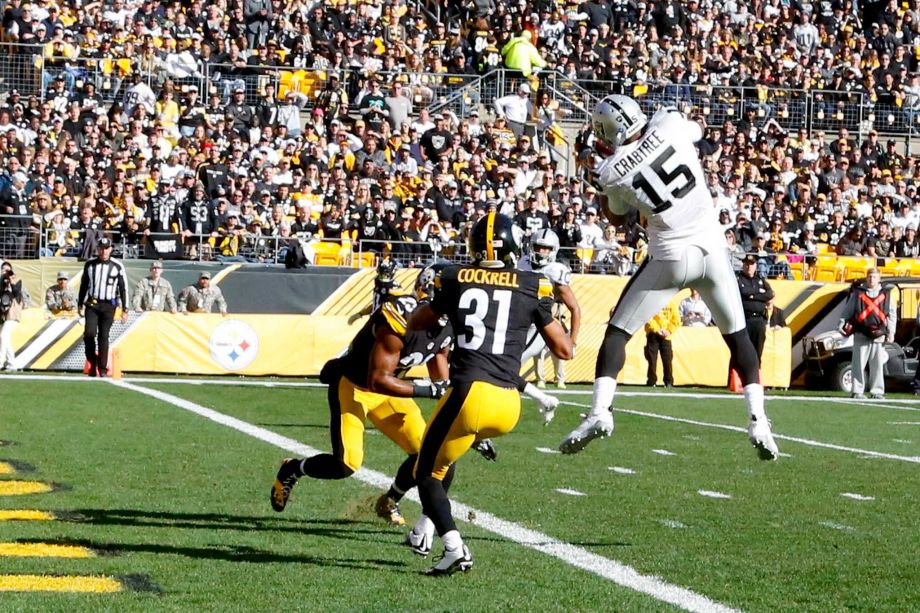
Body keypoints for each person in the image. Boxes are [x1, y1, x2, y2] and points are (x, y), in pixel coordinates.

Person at [559, 95, 778, 461]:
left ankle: (600, 412)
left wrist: (596, 175)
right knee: (738, 337)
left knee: (617, 332)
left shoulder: (611, 171)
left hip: (671, 257)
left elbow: (616, 218)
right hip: (712, 252)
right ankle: (759, 421)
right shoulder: (669, 124)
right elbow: (695, 131)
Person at [406, 213, 573, 575]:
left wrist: (437, 304)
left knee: (425, 474)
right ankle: (423, 529)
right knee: (444, 461)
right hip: (508, 403)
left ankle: (453, 547)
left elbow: (418, 322)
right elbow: (565, 350)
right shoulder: (533, 284)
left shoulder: (454, 277)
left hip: (468, 392)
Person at [270, 264, 457, 523]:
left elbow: (440, 368)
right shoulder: (401, 314)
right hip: (356, 386)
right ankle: (293, 468)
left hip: (392, 391)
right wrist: (428, 389)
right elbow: (378, 379)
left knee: (425, 454)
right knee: (346, 464)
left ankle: (390, 500)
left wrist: (463, 415)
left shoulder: (450, 325)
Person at [518, 229, 580, 420]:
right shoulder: (522, 264)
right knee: (503, 367)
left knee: (506, 366)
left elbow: (575, 309)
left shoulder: (556, 272)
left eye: (546, 249)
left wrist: (573, 340)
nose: (542, 252)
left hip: (537, 327)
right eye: (538, 247)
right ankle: (545, 399)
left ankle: (542, 399)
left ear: (553, 250)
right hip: (517, 323)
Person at [839, 268, 896, 400]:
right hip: (861, 333)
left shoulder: (886, 295)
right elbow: (848, 311)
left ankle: (877, 391)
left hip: (879, 334)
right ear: (866, 278)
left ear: (879, 279)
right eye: (869, 277)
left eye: (874, 277)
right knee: (858, 364)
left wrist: (891, 332)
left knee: (877, 365)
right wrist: (841, 324)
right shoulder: (858, 293)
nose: (871, 279)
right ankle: (857, 391)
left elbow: (892, 315)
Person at [77, 237, 129, 378]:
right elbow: (84, 285)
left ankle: (102, 368)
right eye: (101, 248)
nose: (103, 251)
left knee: (103, 336)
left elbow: (123, 288)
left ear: (110, 249)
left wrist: (125, 309)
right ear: (97, 249)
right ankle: (92, 362)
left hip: (108, 305)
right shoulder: (90, 265)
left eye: (106, 248)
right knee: (89, 333)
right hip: (93, 303)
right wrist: (80, 303)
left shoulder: (117, 266)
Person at [738, 254, 775, 361]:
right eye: (747, 264)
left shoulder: (760, 280)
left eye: (752, 264)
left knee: (758, 352)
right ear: (743, 265)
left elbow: (770, 294)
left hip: (759, 320)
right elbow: (744, 292)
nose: (749, 267)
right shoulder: (739, 279)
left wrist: (753, 295)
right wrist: (760, 293)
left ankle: (756, 375)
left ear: (755, 266)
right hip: (746, 320)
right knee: (744, 353)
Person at [645, 304, 680, 387]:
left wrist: (669, 330)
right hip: (652, 334)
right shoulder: (652, 301)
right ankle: (652, 381)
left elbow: (676, 319)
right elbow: (648, 317)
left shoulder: (672, 303)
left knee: (667, 359)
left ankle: (668, 381)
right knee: (652, 359)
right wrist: (657, 329)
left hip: (666, 335)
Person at [0, 262, 24, 371]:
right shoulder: (1, 281)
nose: (6, 273)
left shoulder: (17, 280)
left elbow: (16, 293)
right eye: (4, 270)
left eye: (8, 270)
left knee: (2, 335)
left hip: (13, 313)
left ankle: (0, 362)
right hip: (3, 314)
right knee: (6, 338)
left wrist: (11, 281)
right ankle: (12, 364)